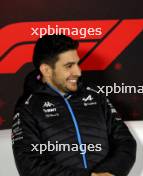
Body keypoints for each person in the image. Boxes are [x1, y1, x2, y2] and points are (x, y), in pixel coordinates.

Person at [12, 34, 136, 176]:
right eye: (69, 66)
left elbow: (125, 142)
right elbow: (28, 164)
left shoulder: (96, 96)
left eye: (77, 63)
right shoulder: (28, 107)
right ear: (46, 70)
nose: (78, 72)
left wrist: (110, 172)